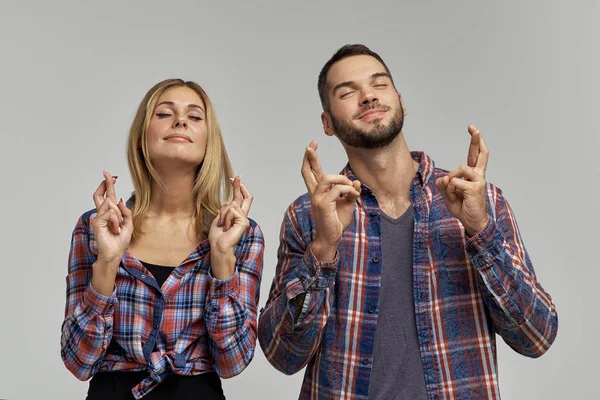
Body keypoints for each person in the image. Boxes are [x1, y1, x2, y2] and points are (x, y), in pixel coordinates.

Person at [258, 45, 558, 399]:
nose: (367, 96)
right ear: (327, 123)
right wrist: (323, 250)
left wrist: (480, 232)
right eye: (348, 92)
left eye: (379, 85)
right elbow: (283, 356)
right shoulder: (308, 216)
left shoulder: (479, 200)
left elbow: (536, 337)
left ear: (400, 100)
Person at [61, 79, 264, 400]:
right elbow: (79, 362)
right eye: (164, 113)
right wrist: (108, 263)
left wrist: (222, 257)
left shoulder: (240, 233)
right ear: (142, 138)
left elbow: (233, 362)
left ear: (209, 141)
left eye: (195, 117)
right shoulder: (97, 226)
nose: (181, 121)